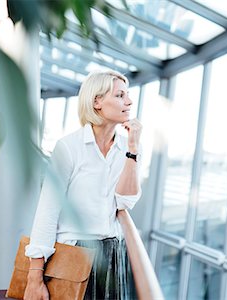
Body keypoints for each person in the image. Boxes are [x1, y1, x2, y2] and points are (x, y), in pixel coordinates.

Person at [24, 70, 142, 300]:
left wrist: (134, 150)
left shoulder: (127, 148)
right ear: (97, 101)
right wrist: (34, 277)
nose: (129, 101)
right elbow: (48, 211)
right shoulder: (69, 147)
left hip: (112, 255)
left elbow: (125, 201)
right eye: (120, 95)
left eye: (127, 95)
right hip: (73, 254)